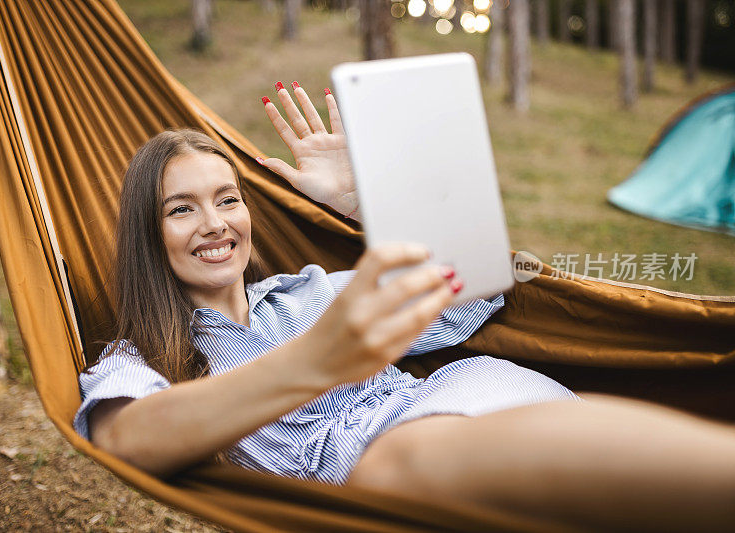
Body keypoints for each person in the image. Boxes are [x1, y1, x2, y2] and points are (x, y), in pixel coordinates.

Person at [75, 82, 735, 532]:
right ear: (148, 234)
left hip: (462, 399)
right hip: (384, 472)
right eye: (181, 208)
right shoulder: (143, 358)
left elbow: (472, 288)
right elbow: (126, 438)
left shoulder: (310, 291)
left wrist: (364, 208)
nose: (216, 223)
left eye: (227, 198)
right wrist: (312, 361)